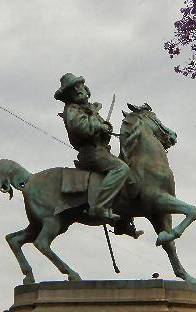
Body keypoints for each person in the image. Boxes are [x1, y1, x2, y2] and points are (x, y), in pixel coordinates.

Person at [55, 73, 142, 238]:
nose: (78, 90)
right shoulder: (72, 110)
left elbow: (99, 126)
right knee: (121, 169)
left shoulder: (89, 110)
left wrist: (105, 127)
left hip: (102, 150)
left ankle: (122, 221)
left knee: (130, 175)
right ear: (68, 94)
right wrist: (99, 126)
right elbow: (80, 128)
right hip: (90, 153)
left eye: (79, 85)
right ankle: (100, 206)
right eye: (74, 88)